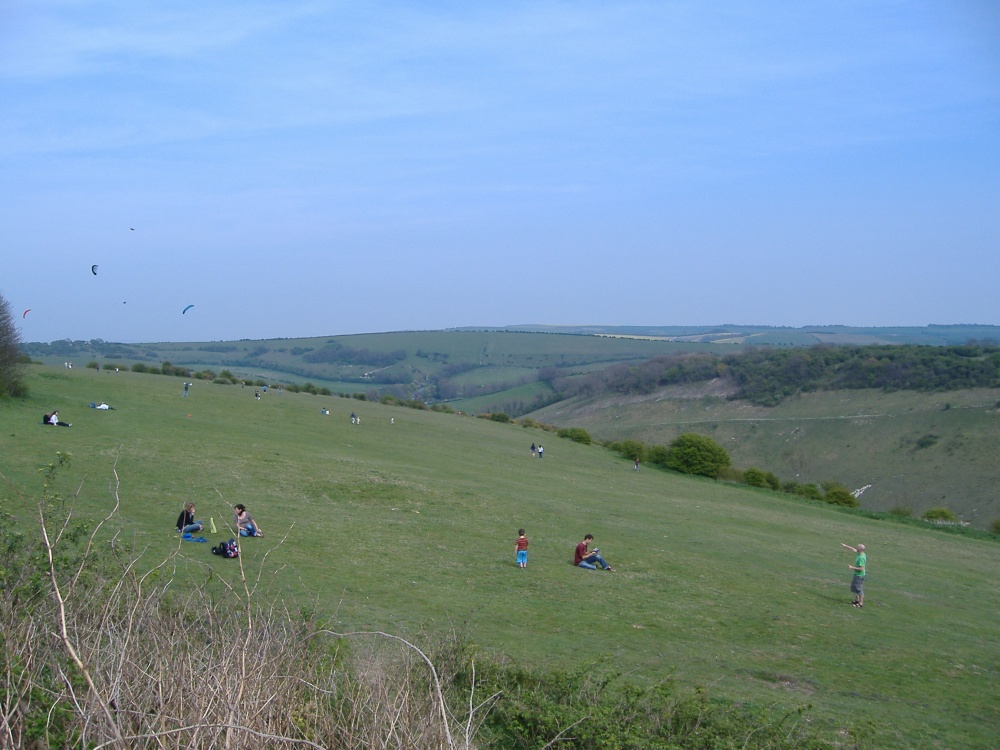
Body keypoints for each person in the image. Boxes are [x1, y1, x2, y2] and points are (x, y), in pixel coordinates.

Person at [841, 542, 867, 607]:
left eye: (857, 547)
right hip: (856, 575)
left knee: (859, 589)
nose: (856, 548)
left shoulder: (861, 558)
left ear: (860, 549)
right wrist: (845, 546)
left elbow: (861, 568)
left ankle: (860, 603)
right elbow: (853, 549)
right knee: (855, 588)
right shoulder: (860, 553)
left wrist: (852, 567)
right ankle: (857, 600)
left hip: (859, 576)